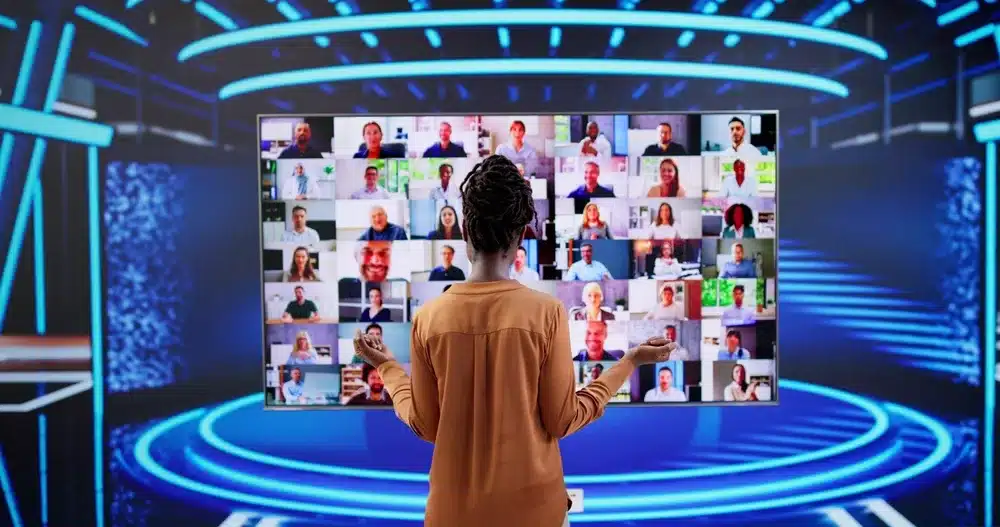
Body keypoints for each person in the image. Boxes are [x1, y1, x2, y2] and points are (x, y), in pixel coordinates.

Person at [351, 154, 675, 527]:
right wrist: (629, 362)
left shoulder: (429, 318)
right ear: (521, 234)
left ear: (464, 232)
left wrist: (388, 368)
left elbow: (426, 425)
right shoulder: (546, 313)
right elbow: (563, 418)